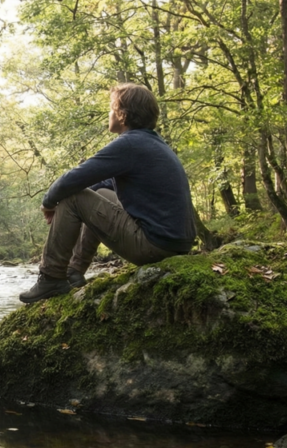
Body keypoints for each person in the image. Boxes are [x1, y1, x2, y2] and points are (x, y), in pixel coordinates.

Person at [19, 83, 196, 304]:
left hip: (155, 246)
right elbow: (102, 184)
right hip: (173, 243)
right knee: (98, 193)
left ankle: (51, 277)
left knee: (72, 195)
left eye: (112, 108)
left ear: (122, 115)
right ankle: (73, 272)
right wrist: (75, 206)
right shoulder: (149, 142)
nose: (109, 113)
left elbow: (73, 179)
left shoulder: (130, 144)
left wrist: (48, 203)